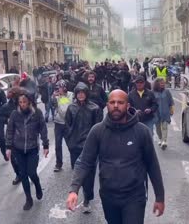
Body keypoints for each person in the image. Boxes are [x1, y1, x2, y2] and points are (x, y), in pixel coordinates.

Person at [66, 90, 165, 224]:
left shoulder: (142, 131)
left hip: (134, 197)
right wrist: (74, 189)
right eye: (112, 102)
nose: (116, 105)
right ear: (107, 105)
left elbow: (152, 165)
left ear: (128, 105)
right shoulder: (97, 131)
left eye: (120, 102)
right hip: (109, 197)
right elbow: (84, 162)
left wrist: (160, 197)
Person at [5, 92, 49, 211]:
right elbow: (10, 130)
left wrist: (46, 145)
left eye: (24, 102)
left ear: (29, 102)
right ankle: (28, 199)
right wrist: (8, 147)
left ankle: (38, 186)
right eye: (20, 102)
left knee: (32, 173)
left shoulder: (37, 113)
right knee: (23, 174)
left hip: (32, 148)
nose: (22, 104)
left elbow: (43, 129)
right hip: (18, 149)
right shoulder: (15, 114)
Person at [65, 82, 103, 213]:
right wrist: (69, 143)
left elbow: (99, 128)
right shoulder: (71, 108)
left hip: (89, 147)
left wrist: (96, 146)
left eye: (83, 92)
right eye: (78, 93)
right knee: (77, 173)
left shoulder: (95, 108)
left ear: (86, 93)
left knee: (89, 175)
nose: (81, 95)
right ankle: (77, 193)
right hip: (75, 146)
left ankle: (87, 198)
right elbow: (67, 126)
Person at [0, 87, 22, 185]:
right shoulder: (7, 106)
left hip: (24, 134)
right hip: (12, 134)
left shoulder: (23, 103)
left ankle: (29, 173)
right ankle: (18, 174)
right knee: (14, 157)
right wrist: (6, 120)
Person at [51, 80, 74, 172]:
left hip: (67, 123)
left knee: (70, 144)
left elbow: (65, 111)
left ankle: (74, 162)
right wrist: (54, 98)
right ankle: (58, 164)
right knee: (57, 145)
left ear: (64, 88)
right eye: (56, 88)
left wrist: (59, 99)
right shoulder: (57, 96)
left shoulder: (70, 95)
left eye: (59, 88)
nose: (57, 90)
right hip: (58, 123)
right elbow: (55, 108)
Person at [153, 78, 174, 150]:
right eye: (161, 83)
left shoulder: (167, 91)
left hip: (165, 112)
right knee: (158, 128)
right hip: (156, 113)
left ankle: (164, 141)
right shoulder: (153, 92)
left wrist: (171, 109)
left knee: (165, 126)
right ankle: (160, 139)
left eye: (163, 83)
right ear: (157, 84)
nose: (163, 84)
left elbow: (171, 101)